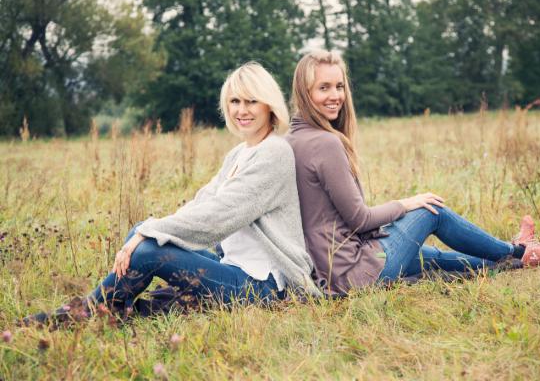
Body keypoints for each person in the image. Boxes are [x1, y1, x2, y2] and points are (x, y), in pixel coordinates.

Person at [24, 62, 321, 326]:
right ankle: (112, 308)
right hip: (233, 267)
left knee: (149, 249)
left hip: (262, 286)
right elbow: (204, 201)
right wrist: (148, 229)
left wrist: (152, 231)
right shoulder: (240, 153)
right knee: (141, 233)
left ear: (269, 105)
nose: (241, 110)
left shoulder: (274, 153)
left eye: (251, 101)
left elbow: (219, 216)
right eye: (235, 101)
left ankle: (84, 312)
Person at [285, 50, 540, 297]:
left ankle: (516, 260)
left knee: (428, 257)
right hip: (355, 272)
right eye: (323, 88)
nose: (335, 96)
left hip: (332, 272)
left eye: (339, 86)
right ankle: (519, 251)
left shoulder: (292, 140)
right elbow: (359, 219)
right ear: (304, 92)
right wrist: (406, 204)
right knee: (431, 211)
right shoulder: (325, 143)